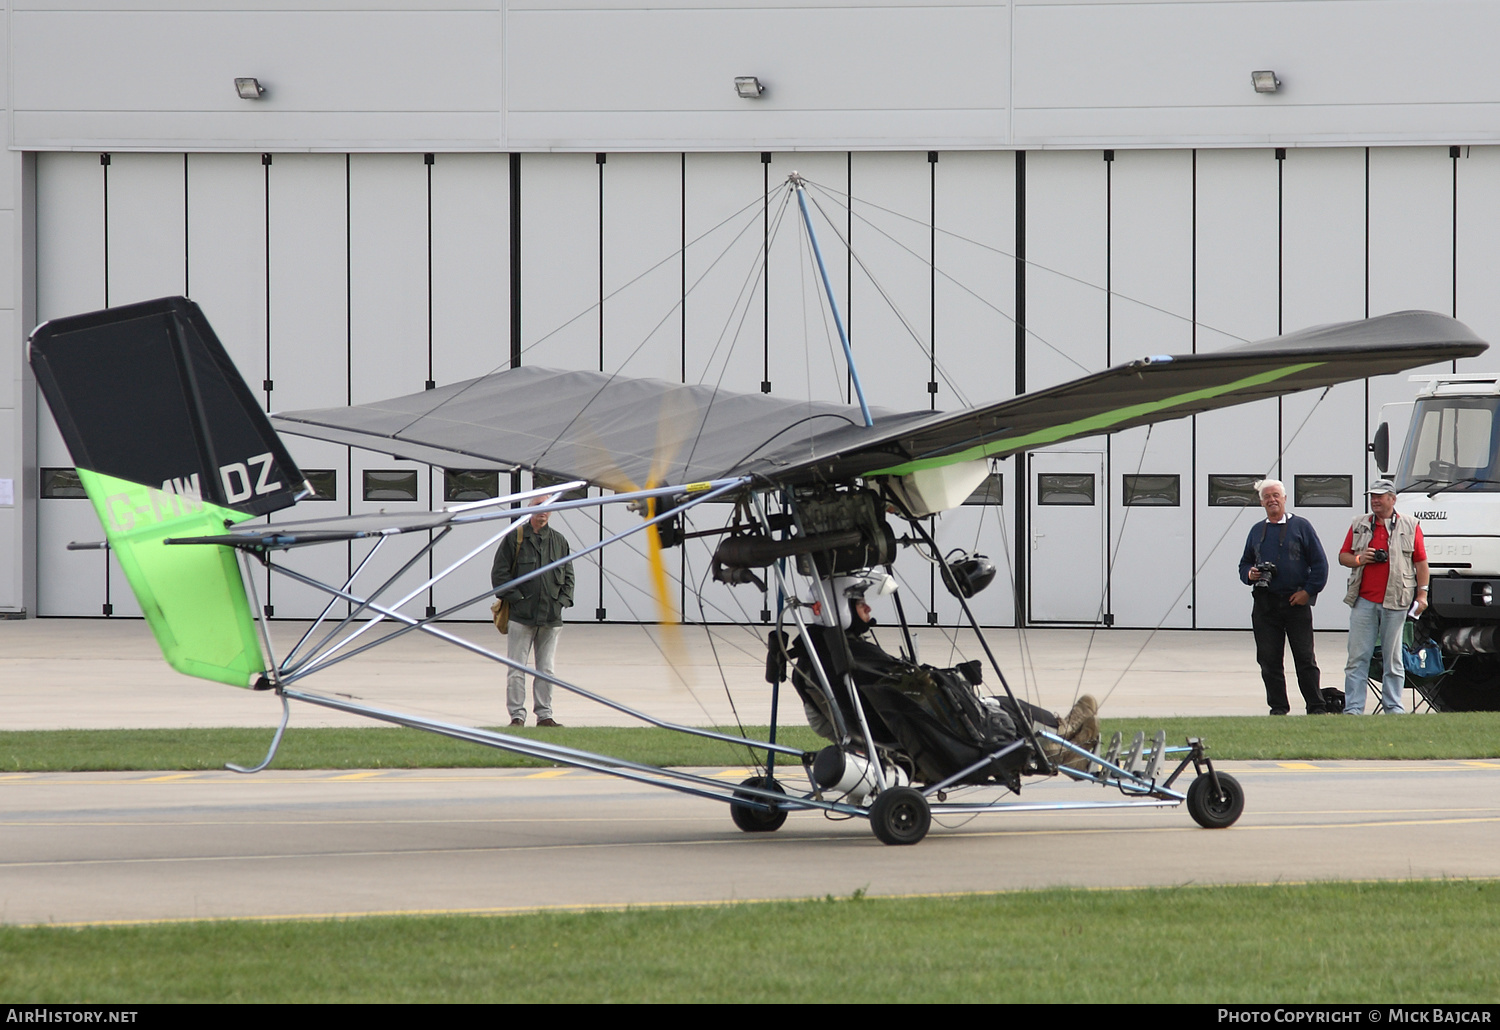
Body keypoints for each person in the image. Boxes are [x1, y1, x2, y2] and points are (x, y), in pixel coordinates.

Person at [1239, 478, 1330, 715]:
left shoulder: (1302, 526)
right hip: (1265, 605)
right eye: (1267, 497)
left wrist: (1307, 592)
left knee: (1305, 658)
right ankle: (1278, 708)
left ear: (1285, 498)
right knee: (1269, 660)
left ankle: (1316, 706)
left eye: (1276, 495)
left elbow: (1320, 564)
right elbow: (1244, 563)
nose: (1272, 500)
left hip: (1296, 603)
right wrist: (1250, 573)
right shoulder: (1257, 530)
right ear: (1261, 503)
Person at [1338, 479, 1429, 715]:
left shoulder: (1410, 525)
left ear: (1392, 499)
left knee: (1393, 658)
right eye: (1372, 496)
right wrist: (1360, 558)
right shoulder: (1359, 524)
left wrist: (1422, 594)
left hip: (1396, 600)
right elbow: (1343, 557)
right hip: (1363, 601)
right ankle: (1353, 709)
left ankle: (1394, 708)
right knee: (1357, 657)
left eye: (1380, 496)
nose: (1375, 501)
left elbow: (1420, 562)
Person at [491, 497, 574, 727]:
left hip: (551, 618)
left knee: (546, 669)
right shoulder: (514, 539)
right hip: (521, 617)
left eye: (547, 509)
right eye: (538, 509)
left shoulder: (559, 541)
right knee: (517, 669)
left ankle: (545, 715)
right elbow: (500, 576)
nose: (543, 514)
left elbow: (569, 576)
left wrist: (562, 602)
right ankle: (517, 716)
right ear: (530, 511)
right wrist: (518, 600)